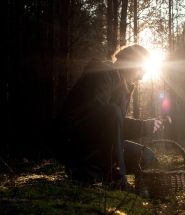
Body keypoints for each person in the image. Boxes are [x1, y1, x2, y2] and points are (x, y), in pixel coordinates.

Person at [51, 44, 168, 191]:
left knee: (146, 156)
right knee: (111, 111)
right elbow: (102, 117)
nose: (141, 77)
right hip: (71, 142)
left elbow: (116, 129)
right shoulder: (103, 72)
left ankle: (87, 172)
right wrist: (143, 125)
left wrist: (146, 126)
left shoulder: (125, 87)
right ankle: (116, 181)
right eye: (140, 70)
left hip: (96, 143)